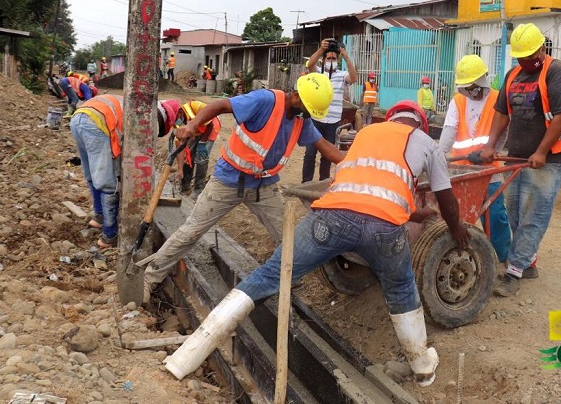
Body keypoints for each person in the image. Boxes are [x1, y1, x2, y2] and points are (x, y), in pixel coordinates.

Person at [163, 100, 470, 387]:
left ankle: (186, 356)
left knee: (271, 274)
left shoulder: (367, 134)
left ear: (390, 119)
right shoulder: (427, 144)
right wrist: (455, 230)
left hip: (330, 215)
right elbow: (446, 198)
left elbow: (365, 184)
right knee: (401, 286)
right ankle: (422, 367)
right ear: (420, 124)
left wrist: (413, 212)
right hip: (384, 226)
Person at [142, 73, 344, 303]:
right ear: (296, 96)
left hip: (264, 187)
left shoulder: (301, 119)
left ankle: (287, 279)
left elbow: (325, 147)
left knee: (289, 239)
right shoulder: (264, 101)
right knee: (191, 232)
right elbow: (220, 105)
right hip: (228, 181)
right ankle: (150, 278)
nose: (308, 115)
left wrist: (356, 161)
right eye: (307, 109)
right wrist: (193, 124)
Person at [479, 23, 561, 297]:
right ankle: (528, 263)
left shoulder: (558, 73)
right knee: (515, 213)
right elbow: (502, 113)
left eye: (529, 57)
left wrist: (542, 151)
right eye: (520, 57)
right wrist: (490, 145)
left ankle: (514, 270)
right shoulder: (513, 75)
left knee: (534, 215)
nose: (525, 62)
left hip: (550, 158)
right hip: (517, 155)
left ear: (541, 49)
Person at [71, 95, 179, 248]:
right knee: (108, 181)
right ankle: (110, 235)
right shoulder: (149, 118)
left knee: (92, 172)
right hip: (97, 125)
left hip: (78, 119)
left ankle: (99, 217)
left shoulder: (138, 103)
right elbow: (138, 156)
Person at [439, 54, 511, 264]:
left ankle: (502, 258)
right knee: (457, 215)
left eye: (474, 87)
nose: (471, 92)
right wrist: (439, 156)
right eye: (466, 88)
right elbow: (449, 130)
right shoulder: (458, 101)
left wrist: (492, 151)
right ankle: (457, 255)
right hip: (461, 169)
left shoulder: (498, 99)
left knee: (495, 216)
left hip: (489, 169)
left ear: (483, 81)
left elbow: (504, 131)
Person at [303, 38, 358, 182]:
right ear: (324, 59)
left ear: (337, 60)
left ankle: (323, 182)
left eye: (334, 58)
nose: (331, 60)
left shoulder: (341, 75)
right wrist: (321, 49)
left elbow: (353, 78)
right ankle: (306, 182)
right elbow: (310, 64)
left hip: (333, 121)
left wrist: (346, 57)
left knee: (327, 155)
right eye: (329, 58)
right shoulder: (318, 75)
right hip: (315, 119)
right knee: (310, 153)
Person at [172, 100, 221, 200]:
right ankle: (185, 185)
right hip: (196, 131)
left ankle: (198, 189)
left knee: (201, 158)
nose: (177, 122)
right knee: (189, 156)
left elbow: (210, 126)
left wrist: (203, 144)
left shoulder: (196, 106)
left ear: (180, 112)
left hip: (210, 129)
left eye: (177, 119)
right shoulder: (177, 122)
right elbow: (179, 147)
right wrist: (180, 169)